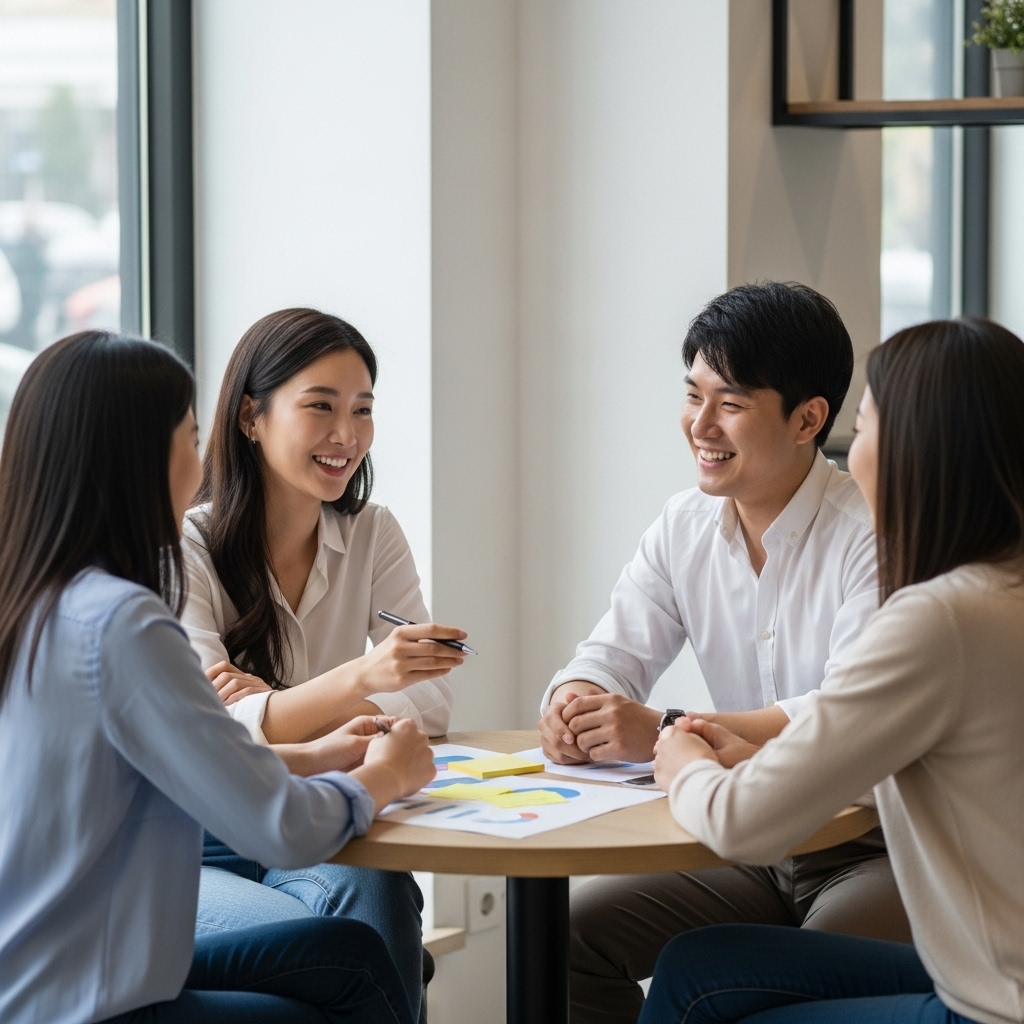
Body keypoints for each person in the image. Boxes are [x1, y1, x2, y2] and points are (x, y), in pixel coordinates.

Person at [0, 330, 437, 1024]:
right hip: (93, 996)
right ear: (140, 457)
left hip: (38, 972)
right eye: (189, 433)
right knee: (364, 971)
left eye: (362, 409)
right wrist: (387, 773)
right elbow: (281, 828)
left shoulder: (40, 603)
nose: (199, 458)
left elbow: (164, 767)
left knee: (357, 957)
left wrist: (314, 749)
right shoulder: (125, 621)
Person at [540, 282, 911, 1024]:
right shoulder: (683, 526)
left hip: (872, 848)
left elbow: (841, 715)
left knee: (775, 976)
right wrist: (572, 699)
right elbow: (610, 651)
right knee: (570, 939)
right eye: (692, 394)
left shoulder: (871, 532)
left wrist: (674, 730)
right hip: (749, 844)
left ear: (808, 418)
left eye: (731, 403)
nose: (700, 425)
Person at [645, 316, 1024, 1024]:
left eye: (866, 423)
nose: (851, 452)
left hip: (990, 1005)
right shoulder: (997, 591)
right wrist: (762, 744)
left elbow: (741, 823)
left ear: (921, 449)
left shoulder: (940, 619)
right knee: (697, 966)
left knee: (699, 992)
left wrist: (682, 758)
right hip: (983, 973)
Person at [179, 308, 463, 1020]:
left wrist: (276, 701)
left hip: (313, 816)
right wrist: (361, 680)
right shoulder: (188, 547)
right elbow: (213, 734)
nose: (348, 436)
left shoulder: (373, 532)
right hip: (203, 845)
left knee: (383, 889)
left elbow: (430, 707)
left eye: (363, 410)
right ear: (251, 416)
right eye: (321, 407)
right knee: (351, 954)